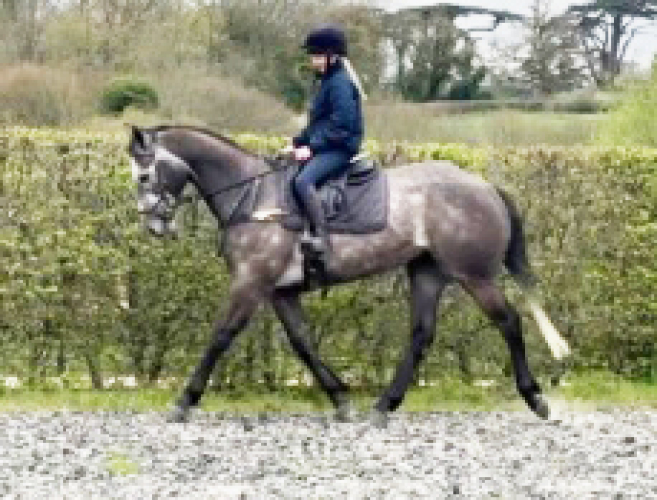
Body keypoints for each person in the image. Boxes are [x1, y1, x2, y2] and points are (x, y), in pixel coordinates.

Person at [288, 24, 366, 269]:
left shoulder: (339, 83)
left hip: (341, 148)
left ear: (332, 56)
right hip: (328, 144)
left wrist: (311, 148)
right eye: (312, 55)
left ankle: (322, 239)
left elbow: (342, 126)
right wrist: (297, 142)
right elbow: (319, 123)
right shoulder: (328, 81)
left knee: (303, 181)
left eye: (317, 55)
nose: (312, 60)